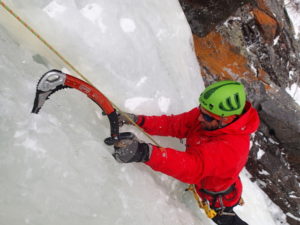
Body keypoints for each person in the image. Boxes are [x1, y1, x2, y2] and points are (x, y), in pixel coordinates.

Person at [106, 80, 260, 225]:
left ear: (227, 119)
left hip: (218, 200)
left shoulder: (230, 149)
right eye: (201, 110)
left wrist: (145, 152)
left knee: (229, 221)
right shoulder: (211, 118)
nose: (199, 118)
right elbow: (175, 124)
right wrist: (138, 121)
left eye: (206, 116)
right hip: (210, 182)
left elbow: (191, 167)